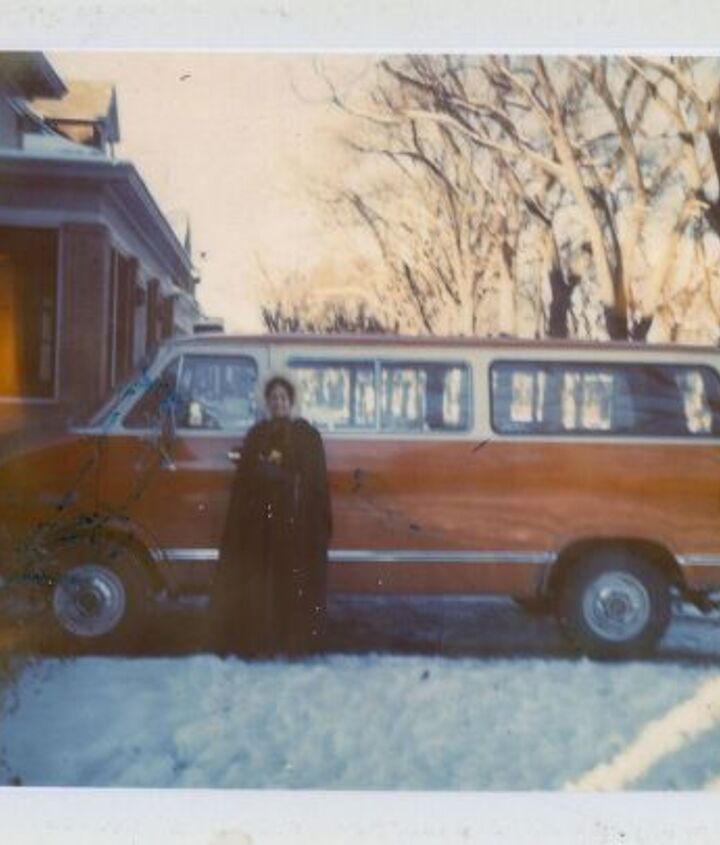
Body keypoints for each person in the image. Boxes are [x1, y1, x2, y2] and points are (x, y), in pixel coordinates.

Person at [211, 374, 332, 657]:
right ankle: (264, 642)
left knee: (292, 582)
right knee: (263, 584)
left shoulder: (306, 435)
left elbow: (315, 479)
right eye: (273, 398)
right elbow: (245, 480)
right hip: (262, 527)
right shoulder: (257, 434)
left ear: (291, 401)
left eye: (283, 397)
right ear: (267, 403)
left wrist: (284, 478)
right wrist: (262, 474)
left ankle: (292, 643)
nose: (278, 402)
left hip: (294, 525)